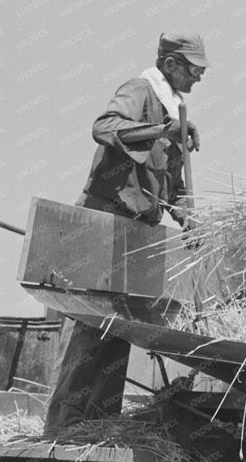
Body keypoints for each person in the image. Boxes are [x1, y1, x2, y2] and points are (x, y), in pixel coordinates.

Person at [43, 31, 208, 435]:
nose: (200, 77)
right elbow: (104, 127)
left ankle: (98, 424)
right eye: (195, 69)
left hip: (136, 234)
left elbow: (175, 187)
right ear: (170, 65)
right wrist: (160, 130)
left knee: (121, 328)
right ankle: (66, 425)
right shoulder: (141, 90)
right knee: (93, 323)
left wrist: (190, 220)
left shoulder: (175, 111)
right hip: (106, 224)